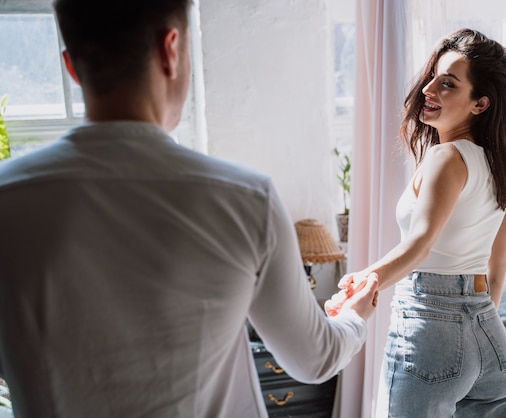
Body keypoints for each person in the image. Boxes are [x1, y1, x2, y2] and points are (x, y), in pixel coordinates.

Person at [0, 1, 379, 417]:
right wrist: (356, 317)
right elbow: (314, 358)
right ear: (171, 49)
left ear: (71, 67)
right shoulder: (245, 199)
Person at [331, 28, 506, 417]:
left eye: (448, 84)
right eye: (433, 77)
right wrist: (473, 328)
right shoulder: (501, 166)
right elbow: (498, 263)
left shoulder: (445, 157)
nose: (428, 89)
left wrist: (362, 281)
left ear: (480, 104)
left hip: (431, 327)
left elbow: (419, 245)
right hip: (489, 332)